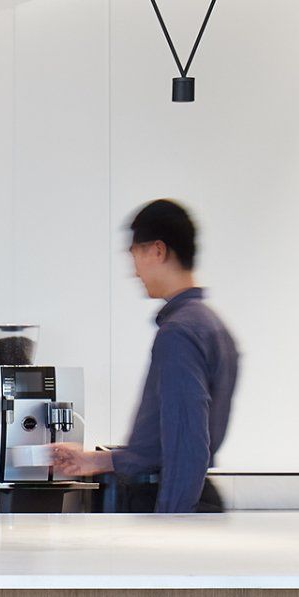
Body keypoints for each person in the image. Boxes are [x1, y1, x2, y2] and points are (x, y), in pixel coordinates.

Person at [50, 199, 238, 512]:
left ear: (157, 250)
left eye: (134, 253)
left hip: (169, 499)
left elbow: (186, 444)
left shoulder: (179, 332)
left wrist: (168, 528)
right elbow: (170, 443)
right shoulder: (213, 327)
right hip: (194, 496)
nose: (133, 271)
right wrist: (96, 460)